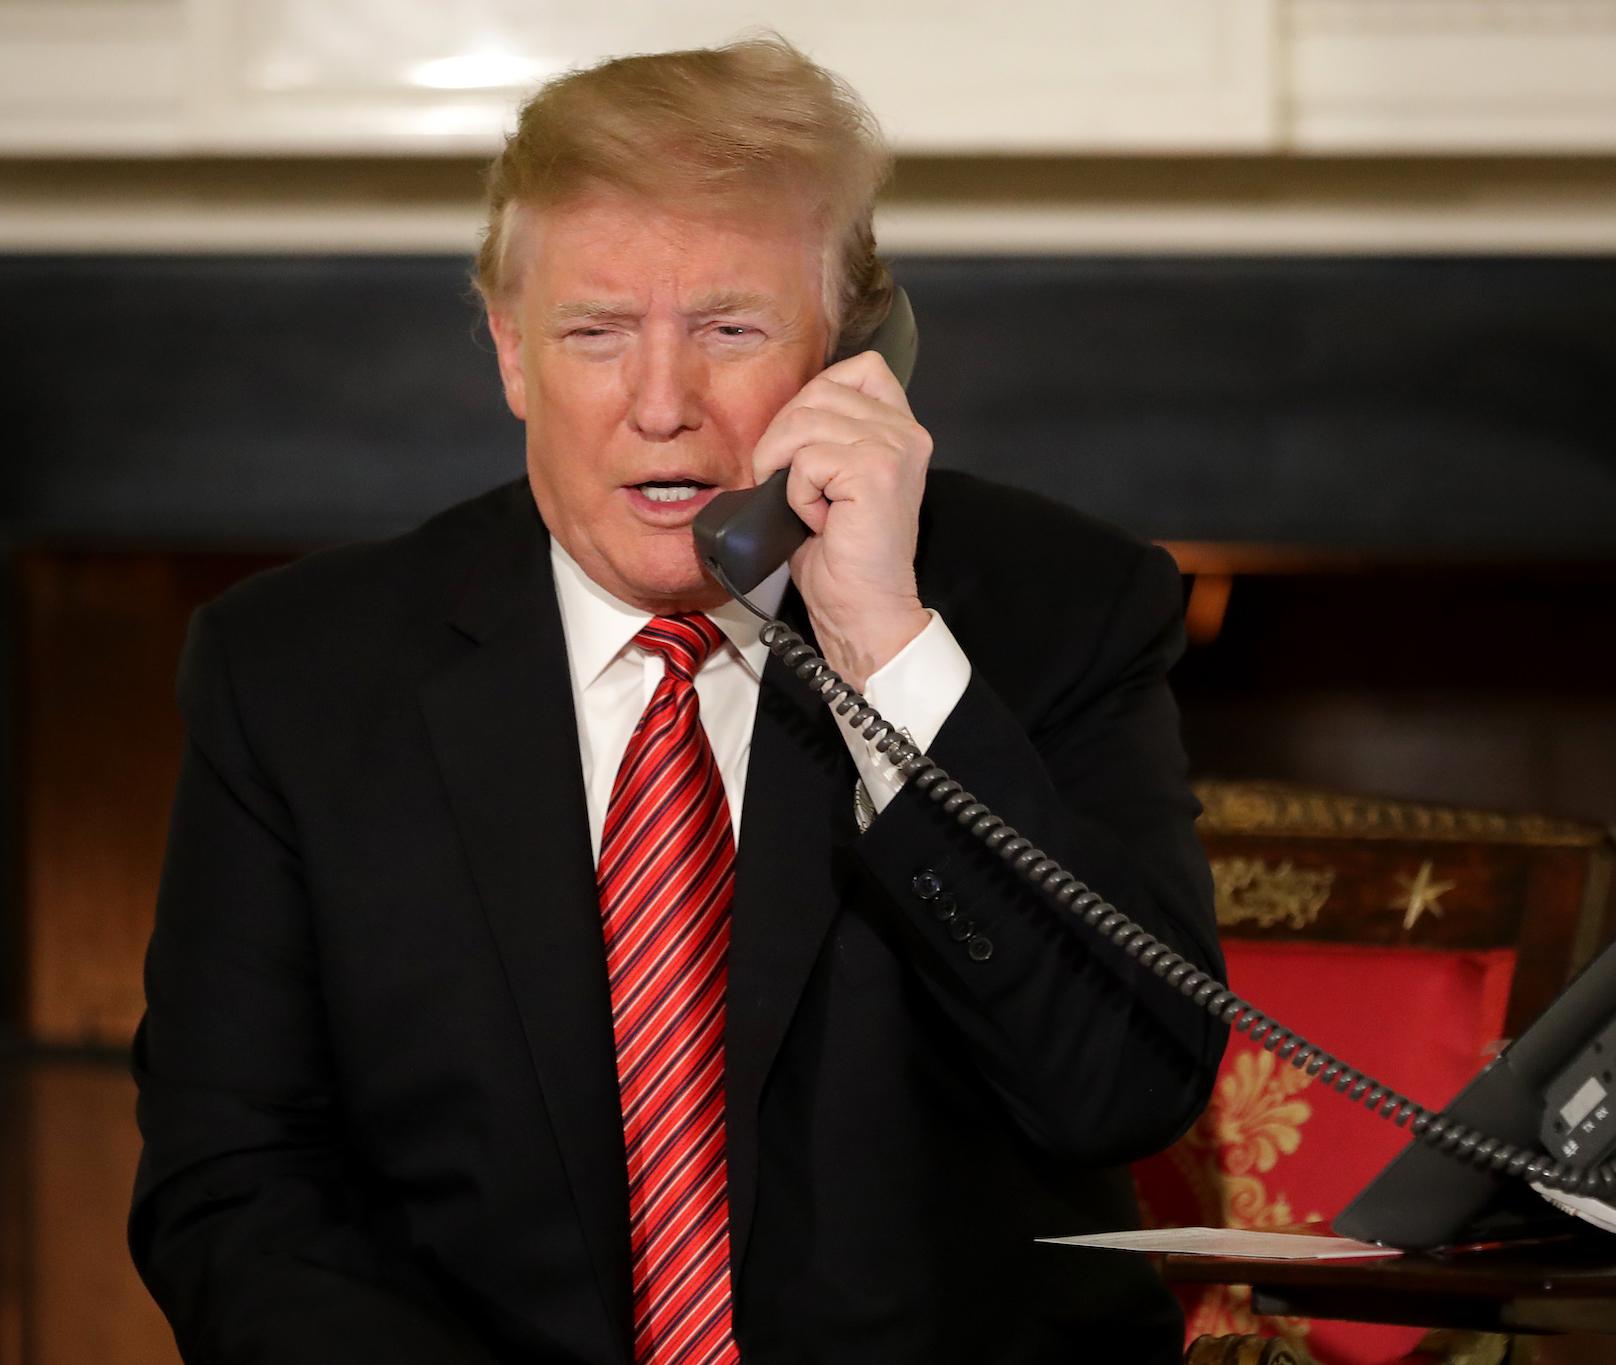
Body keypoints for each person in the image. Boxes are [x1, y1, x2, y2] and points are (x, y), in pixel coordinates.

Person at [129, 35, 1226, 1365]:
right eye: (595, 332)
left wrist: (883, 637)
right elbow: (232, 1183)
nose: (661, 404)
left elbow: (1118, 1088)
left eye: (730, 328)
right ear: (510, 352)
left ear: (856, 349)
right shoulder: (295, 674)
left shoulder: (1061, 612)